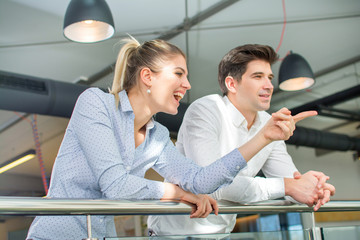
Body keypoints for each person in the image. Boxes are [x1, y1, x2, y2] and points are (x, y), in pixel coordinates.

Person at [26, 37, 314, 239]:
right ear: (148, 77)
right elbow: (115, 185)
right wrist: (176, 193)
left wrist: (264, 137)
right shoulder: (96, 104)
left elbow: (201, 181)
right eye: (178, 73)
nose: (187, 85)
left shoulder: (158, 135)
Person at [147, 44, 335, 236]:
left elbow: (293, 184)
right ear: (231, 84)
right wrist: (287, 186)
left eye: (269, 77)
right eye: (258, 76)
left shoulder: (269, 123)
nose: (269, 85)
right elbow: (212, 185)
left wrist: (314, 187)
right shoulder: (206, 109)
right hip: (173, 234)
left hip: (221, 234)